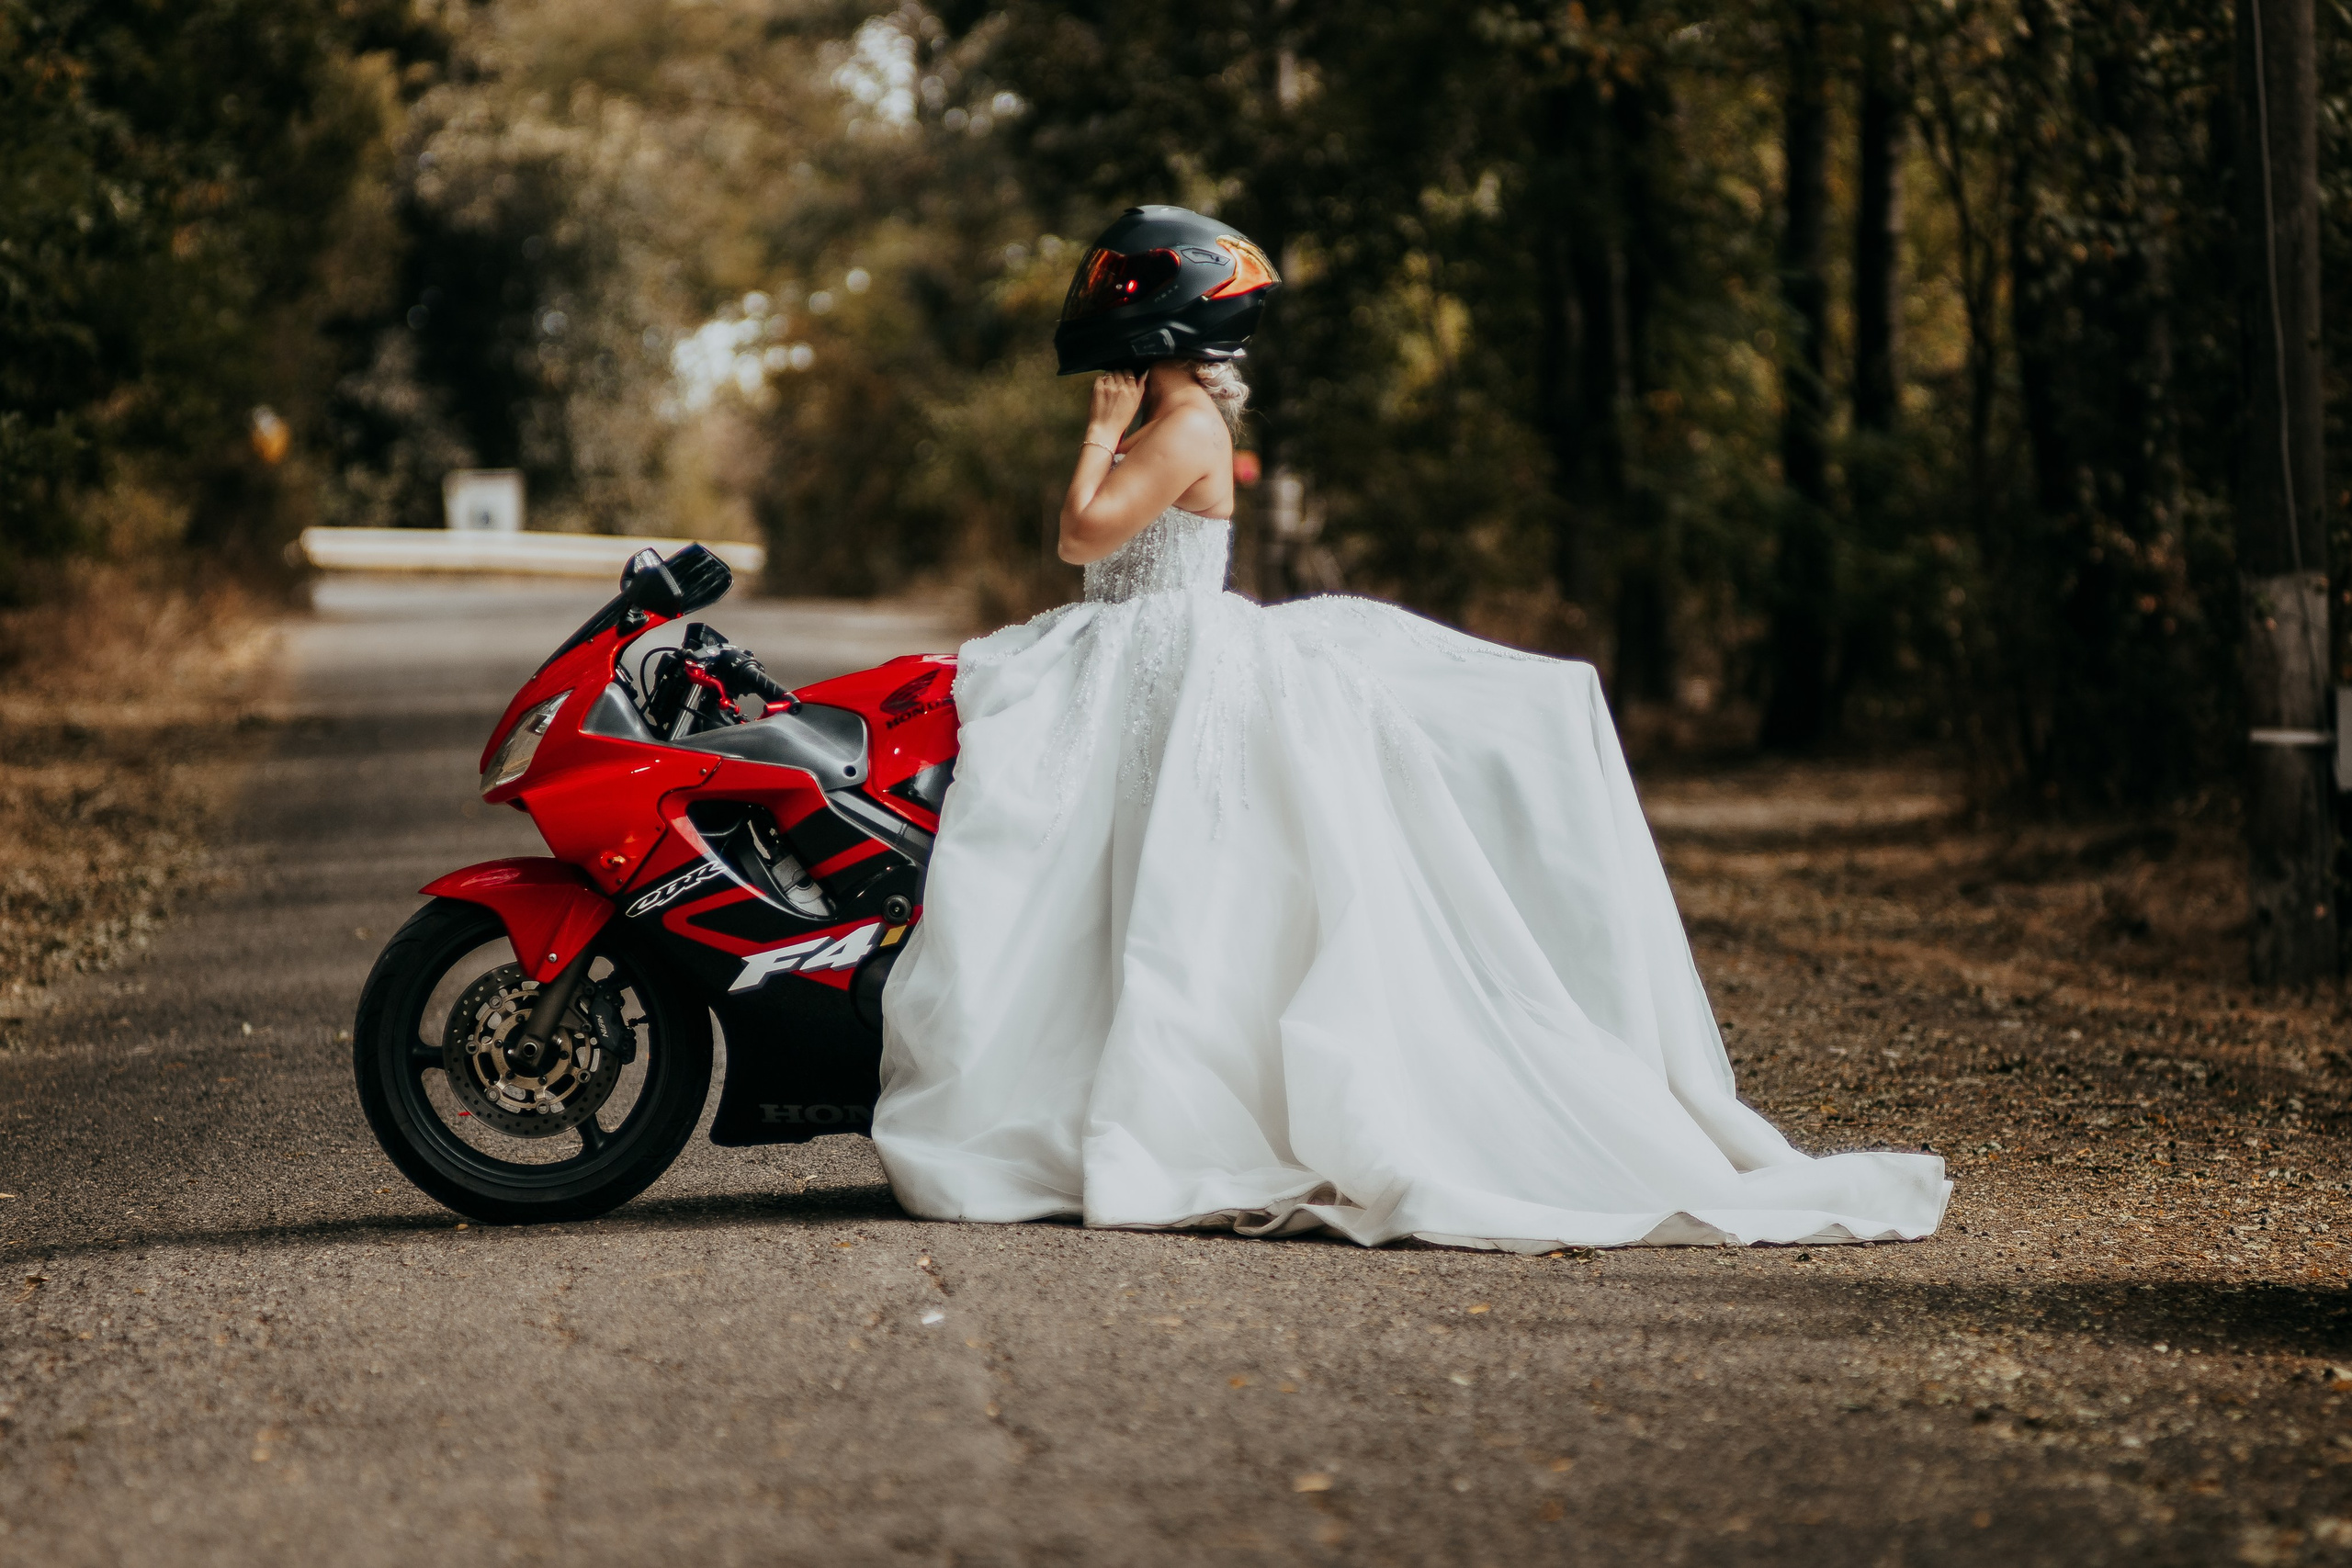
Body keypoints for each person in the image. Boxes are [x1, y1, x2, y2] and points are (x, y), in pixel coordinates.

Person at [874, 205, 1948, 1251]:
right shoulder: (1179, 418)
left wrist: (1100, 434)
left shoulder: (1183, 422)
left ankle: (1175, 1105)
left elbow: (1080, 535)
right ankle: (1083, 1083)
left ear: (1166, 312)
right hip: (1135, 664)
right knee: (1113, 881)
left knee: (1175, 894)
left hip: (1166, 663)